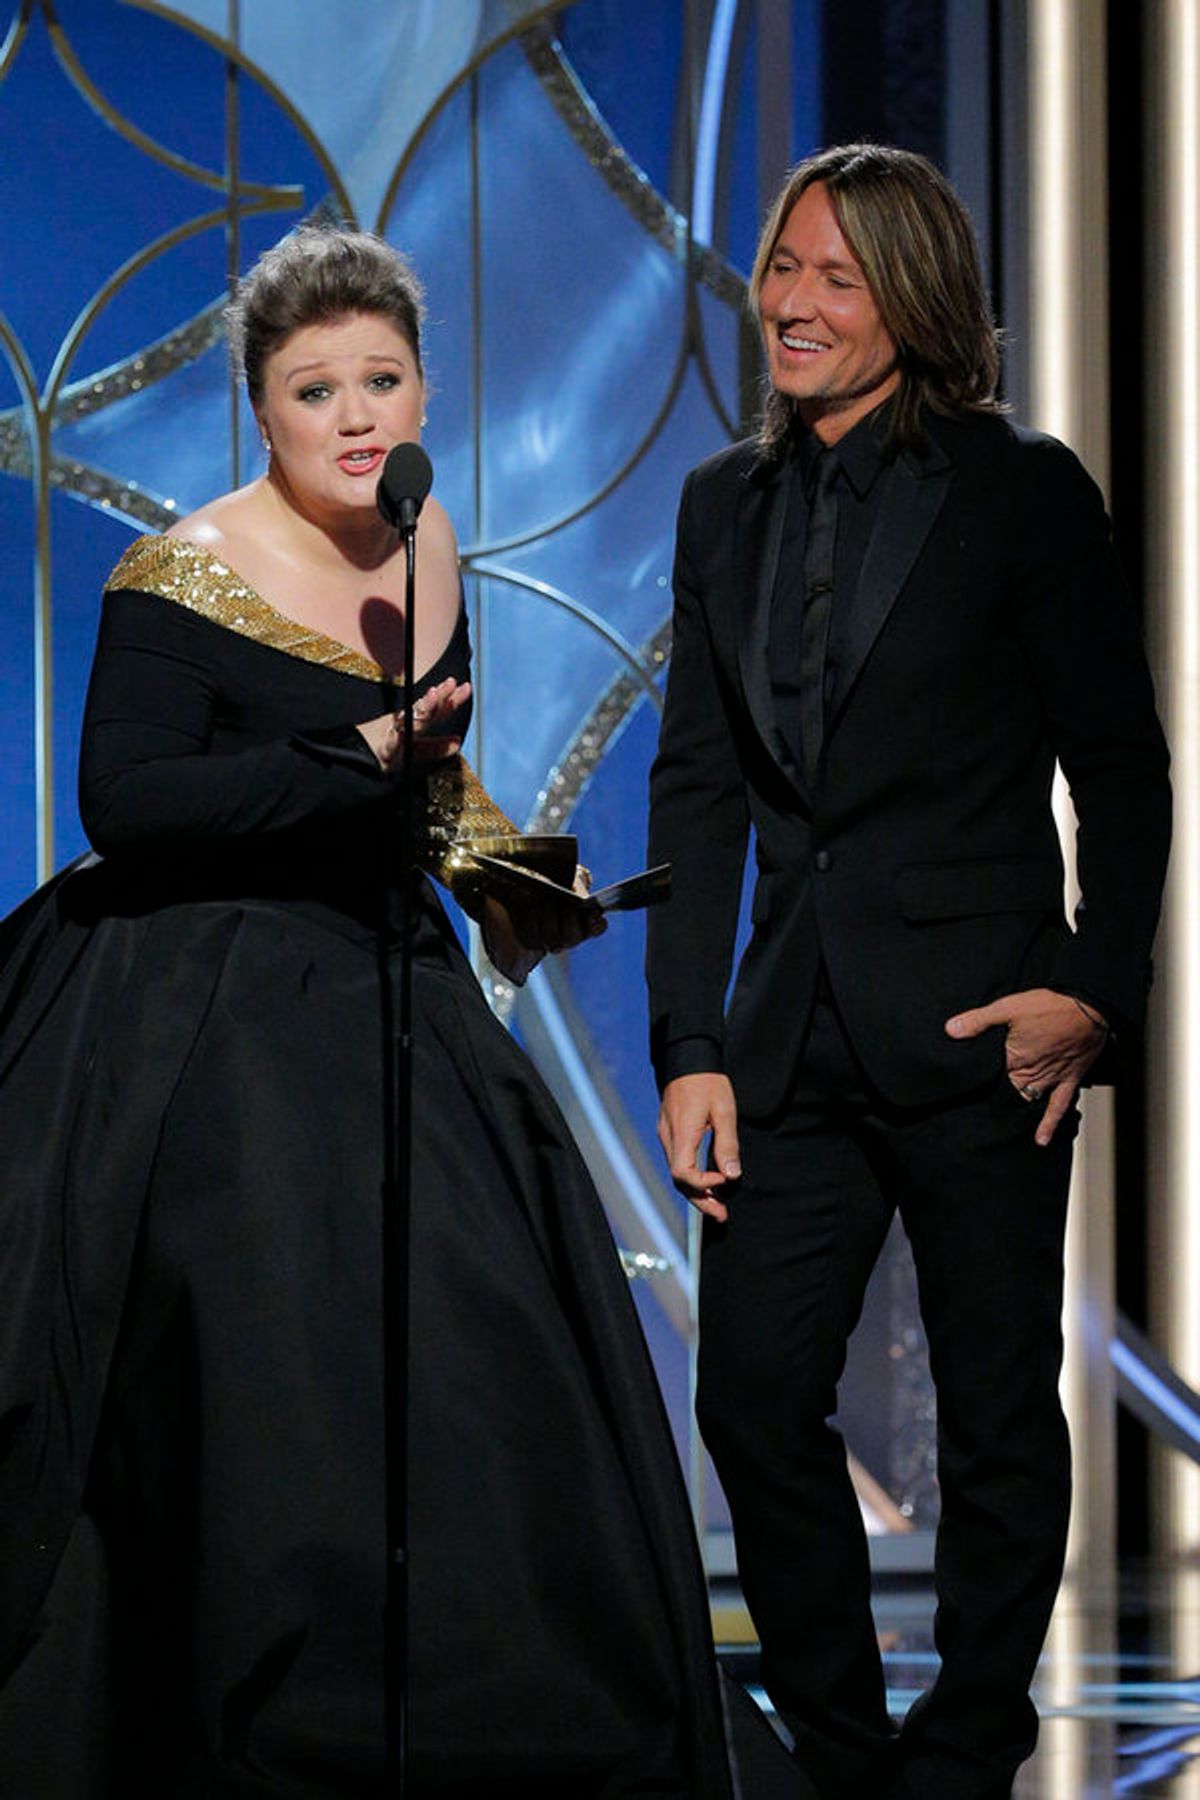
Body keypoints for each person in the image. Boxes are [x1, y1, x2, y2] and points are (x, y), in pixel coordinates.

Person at [0, 224, 751, 1799]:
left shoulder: (426, 542)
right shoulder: (181, 569)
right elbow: (128, 803)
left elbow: (426, 784)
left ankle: (479, 1709)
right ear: (261, 413)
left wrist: (508, 875)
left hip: (384, 973)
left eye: (383, 380)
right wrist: (355, 758)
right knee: (270, 1340)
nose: (355, 416)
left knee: (477, 1330)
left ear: (423, 390)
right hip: (204, 999)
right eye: (314, 389)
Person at [645, 143, 1171, 1800]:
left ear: (915, 304)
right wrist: (687, 1042)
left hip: (980, 1029)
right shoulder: (720, 504)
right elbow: (698, 788)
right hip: (786, 1035)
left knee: (1000, 1412)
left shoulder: (1021, 491)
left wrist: (1093, 989)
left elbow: (1123, 765)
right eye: (781, 266)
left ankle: (965, 1754)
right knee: (751, 1400)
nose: (791, 302)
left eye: (837, 276)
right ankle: (843, 1751)